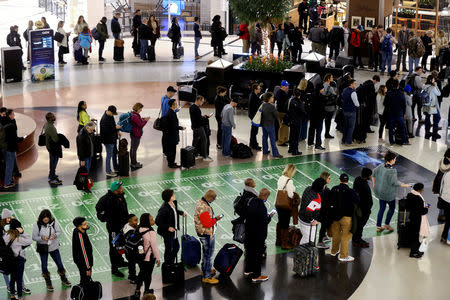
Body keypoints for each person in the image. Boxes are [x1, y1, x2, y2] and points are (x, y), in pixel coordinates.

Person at [32, 209, 71, 291]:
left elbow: (59, 231)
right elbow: (34, 237)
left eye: (47, 217)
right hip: (43, 248)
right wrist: (42, 238)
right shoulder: (36, 225)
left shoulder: (54, 222)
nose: (46, 219)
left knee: (59, 264)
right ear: (41, 218)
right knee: (44, 265)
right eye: (44, 218)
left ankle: (63, 278)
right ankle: (48, 282)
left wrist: (54, 236)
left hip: (53, 246)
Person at [373, 151, 411, 232]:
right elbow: (395, 183)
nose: (395, 160)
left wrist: (374, 184)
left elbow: (373, 173)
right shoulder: (392, 171)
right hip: (389, 194)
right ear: (391, 160)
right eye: (394, 159)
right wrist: (405, 185)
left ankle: (379, 226)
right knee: (392, 208)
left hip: (380, 193)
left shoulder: (381, 166)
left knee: (381, 209)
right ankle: (387, 224)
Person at [99, 181, 129, 277]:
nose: (122, 188)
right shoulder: (107, 199)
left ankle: (120, 261)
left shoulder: (120, 196)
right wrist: (106, 218)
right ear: (116, 190)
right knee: (114, 247)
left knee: (120, 245)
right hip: (114, 228)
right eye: (120, 187)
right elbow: (98, 208)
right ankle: (114, 268)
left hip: (122, 226)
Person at [244, 188, 273, 282]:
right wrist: (269, 217)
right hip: (258, 234)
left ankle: (248, 270)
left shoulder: (251, 201)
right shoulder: (261, 206)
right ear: (265, 196)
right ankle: (256, 275)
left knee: (249, 251)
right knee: (257, 254)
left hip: (249, 232)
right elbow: (264, 221)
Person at [329, 174, 360, 262]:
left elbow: (330, 200)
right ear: (347, 181)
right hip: (346, 217)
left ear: (339, 180)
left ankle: (334, 251)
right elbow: (358, 201)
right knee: (345, 236)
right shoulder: (351, 191)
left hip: (335, 217)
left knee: (336, 235)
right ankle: (343, 255)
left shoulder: (334, 189)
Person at [194, 190, 222, 284]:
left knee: (206, 253)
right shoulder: (204, 207)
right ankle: (207, 276)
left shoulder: (200, 202)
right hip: (206, 234)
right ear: (209, 198)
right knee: (208, 255)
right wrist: (216, 219)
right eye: (213, 199)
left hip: (203, 233)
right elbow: (207, 223)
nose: (213, 200)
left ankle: (206, 269)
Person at [155, 189, 186, 265]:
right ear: (169, 197)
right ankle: (167, 265)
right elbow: (157, 221)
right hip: (168, 233)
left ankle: (171, 262)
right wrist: (168, 227)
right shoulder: (163, 209)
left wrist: (181, 213)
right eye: (173, 195)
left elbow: (174, 211)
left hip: (174, 232)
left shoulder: (173, 203)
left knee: (176, 247)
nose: (174, 195)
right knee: (169, 249)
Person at [134, 213, 160, 298]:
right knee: (148, 275)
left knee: (141, 273)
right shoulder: (151, 232)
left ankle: (137, 291)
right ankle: (146, 291)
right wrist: (158, 258)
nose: (154, 220)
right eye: (151, 219)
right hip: (148, 258)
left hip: (139, 257)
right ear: (147, 221)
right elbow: (154, 247)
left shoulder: (138, 229)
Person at [4, 219, 32, 300]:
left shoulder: (5, 236)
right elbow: (30, 241)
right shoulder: (18, 239)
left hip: (9, 260)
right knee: (19, 279)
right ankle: (20, 297)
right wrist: (23, 232)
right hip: (19, 260)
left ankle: (12, 296)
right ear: (18, 228)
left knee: (12, 279)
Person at [276, 164, 298, 249]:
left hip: (278, 203)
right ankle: (284, 244)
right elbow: (290, 194)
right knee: (285, 225)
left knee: (280, 222)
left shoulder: (281, 177)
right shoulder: (289, 181)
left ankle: (278, 241)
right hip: (285, 206)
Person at [299, 178, 326, 245]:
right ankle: (303, 254)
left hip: (301, 217)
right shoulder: (316, 198)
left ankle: (300, 252)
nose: (325, 187)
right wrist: (312, 221)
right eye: (324, 185)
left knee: (305, 237)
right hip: (307, 223)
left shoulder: (308, 188)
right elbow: (308, 212)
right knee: (309, 241)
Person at [406, 183, 429, 258]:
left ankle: (415, 250)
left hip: (410, 217)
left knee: (413, 234)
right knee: (416, 236)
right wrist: (426, 208)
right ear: (419, 189)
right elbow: (422, 211)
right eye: (422, 188)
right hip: (416, 219)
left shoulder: (409, 195)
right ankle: (414, 252)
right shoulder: (418, 198)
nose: (423, 190)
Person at [383, 79, 409, 145]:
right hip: (399, 113)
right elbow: (404, 105)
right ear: (398, 85)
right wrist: (404, 113)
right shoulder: (401, 94)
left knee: (391, 128)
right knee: (402, 127)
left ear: (392, 85)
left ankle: (391, 142)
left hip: (391, 113)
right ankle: (404, 141)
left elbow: (385, 103)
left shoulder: (389, 93)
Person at [3, 109, 24, 189]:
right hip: (10, 148)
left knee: (11, 163)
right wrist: (21, 139)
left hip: (5, 147)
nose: (14, 116)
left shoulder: (4, 121)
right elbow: (14, 138)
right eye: (13, 114)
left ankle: (16, 173)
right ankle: (7, 183)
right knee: (9, 165)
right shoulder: (11, 126)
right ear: (9, 115)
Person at [352, 168, 373, 248]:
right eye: (370, 175)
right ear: (368, 176)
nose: (371, 176)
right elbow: (367, 200)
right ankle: (357, 239)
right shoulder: (365, 187)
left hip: (357, 207)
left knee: (358, 224)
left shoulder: (357, 179)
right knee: (360, 225)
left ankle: (356, 238)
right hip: (363, 210)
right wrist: (368, 210)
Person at [163, 99, 185, 168]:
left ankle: (171, 162)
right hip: (171, 135)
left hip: (170, 135)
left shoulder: (171, 112)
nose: (176, 105)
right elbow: (173, 126)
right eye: (175, 103)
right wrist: (181, 128)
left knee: (171, 150)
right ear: (172, 105)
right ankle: (171, 164)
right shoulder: (171, 113)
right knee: (172, 150)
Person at [190, 96, 213, 161]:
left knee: (195, 141)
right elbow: (199, 121)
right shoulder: (196, 109)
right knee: (204, 140)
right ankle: (205, 156)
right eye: (202, 101)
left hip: (194, 127)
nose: (202, 103)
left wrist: (201, 116)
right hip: (199, 127)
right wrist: (206, 117)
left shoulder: (192, 107)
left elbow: (196, 117)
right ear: (198, 100)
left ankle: (195, 155)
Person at [261, 92, 283, 158]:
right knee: (272, 140)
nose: (273, 98)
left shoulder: (263, 105)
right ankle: (275, 153)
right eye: (272, 97)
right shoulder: (272, 107)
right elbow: (276, 115)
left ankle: (265, 150)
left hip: (264, 124)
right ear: (269, 98)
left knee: (264, 137)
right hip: (270, 124)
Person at [100, 105, 120, 177]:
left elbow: (113, 125)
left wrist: (117, 130)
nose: (113, 115)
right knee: (109, 156)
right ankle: (108, 171)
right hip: (108, 141)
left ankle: (115, 168)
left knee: (114, 153)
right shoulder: (104, 119)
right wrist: (115, 128)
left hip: (113, 139)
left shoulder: (110, 116)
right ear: (109, 111)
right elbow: (106, 131)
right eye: (112, 113)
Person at [72, 217, 93, 285]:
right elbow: (84, 253)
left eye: (86, 223)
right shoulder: (80, 236)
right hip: (83, 263)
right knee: (85, 279)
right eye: (84, 224)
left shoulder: (78, 230)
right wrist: (87, 268)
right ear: (79, 226)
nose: (86, 224)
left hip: (81, 262)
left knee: (85, 279)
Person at [44, 112, 62, 185]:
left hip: (49, 146)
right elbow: (55, 139)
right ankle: (52, 178)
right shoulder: (51, 127)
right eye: (53, 116)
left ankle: (51, 174)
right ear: (51, 118)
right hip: (53, 147)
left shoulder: (47, 124)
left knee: (52, 161)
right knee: (53, 162)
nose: (54, 117)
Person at [130, 103, 150, 170]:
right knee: (134, 149)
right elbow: (140, 125)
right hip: (136, 134)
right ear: (138, 108)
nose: (141, 110)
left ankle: (134, 162)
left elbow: (138, 122)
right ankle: (133, 164)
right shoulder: (135, 116)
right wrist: (146, 121)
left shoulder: (134, 114)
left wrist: (143, 119)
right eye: (140, 109)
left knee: (133, 148)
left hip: (134, 133)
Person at [288, 88, 307, 155]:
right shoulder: (299, 102)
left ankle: (290, 148)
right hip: (297, 121)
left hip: (291, 120)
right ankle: (295, 150)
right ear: (300, 94)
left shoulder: (291, 101)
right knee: (296, 137)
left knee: (291, 135)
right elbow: (302, 112)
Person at [422, 75, 442, 141]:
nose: (434, 81)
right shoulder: (433, 88)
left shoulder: (424, 87)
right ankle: (434, 133)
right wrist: (436, 86)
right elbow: (439, 94)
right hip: (433, 106)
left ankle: (427, 132)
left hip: (426, 105)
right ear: (431, 80)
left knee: (427, 118)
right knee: (437, 118)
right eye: (433, 80)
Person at [341, 79, 359, 145]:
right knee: (351, 127)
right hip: (351, 111)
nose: (355, 85)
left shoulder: (345, 90)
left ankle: (343, 140)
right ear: (351, 84)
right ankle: (348, 142)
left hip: (344, 110)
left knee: (345, 126)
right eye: (354, 83)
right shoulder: (353, 92)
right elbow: (356, 103)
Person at [317, 172, 332, 249]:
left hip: (320, 211)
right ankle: (320, 242)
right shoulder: (325, 190)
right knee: (323, 226)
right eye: (329, 178)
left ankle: (323, 236)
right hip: (322, 212)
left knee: (324, 226)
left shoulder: (323, 188)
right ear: (325, 179)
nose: (330, 179)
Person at [123, 214, 139, 283]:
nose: (137, 222)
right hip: (130, 251)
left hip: (128, 249)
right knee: (132, 264)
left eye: (137, 220)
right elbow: (134, 239)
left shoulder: (127, 225)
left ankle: (131, 275)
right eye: (135, 220)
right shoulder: (129, 231)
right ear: (130, 221)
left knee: (131, 263)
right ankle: (132, 278)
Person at [321, 74, 338, 139]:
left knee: (324, 120)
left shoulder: (322, 85)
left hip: (323, 106)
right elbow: (335, 94)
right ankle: (327, 133)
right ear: (328, 79)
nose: (333, 78)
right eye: (331, 77)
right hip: (330, 107)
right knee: (328, 121)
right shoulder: (330, 87)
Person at [439, 154, 450, 244]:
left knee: (448, 220)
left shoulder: (446, 174)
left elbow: (441, 187)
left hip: (444, 200)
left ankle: (444, 237)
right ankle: (446, 238)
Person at [275, 80, 290, 147]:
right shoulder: (280, 93)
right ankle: (280, 141)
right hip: (281, 112)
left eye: (288, 86)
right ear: (282, 86)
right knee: (282, 127)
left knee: (285, 126)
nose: (287, 87)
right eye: (286, 86)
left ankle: (285, 139)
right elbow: (281, 104)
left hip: (284, 112)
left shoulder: (283, 92)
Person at [248, 83, 262, 150]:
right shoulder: (253, 96)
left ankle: (252, 143)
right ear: (255, 89)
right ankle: (254, 145)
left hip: (253, 115)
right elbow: (257, 106)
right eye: (259, 88)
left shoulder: (254, 95)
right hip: (254, 116)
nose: (260, 89)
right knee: (254, 131)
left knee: (254, 130)